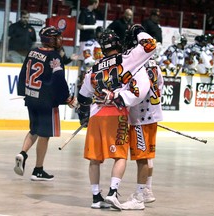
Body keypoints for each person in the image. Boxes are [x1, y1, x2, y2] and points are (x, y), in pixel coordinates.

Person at [77, 25, 157, 210]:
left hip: (96, 115)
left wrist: (83, 116)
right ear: (118, 44)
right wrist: (139, 31)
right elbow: (150, 44)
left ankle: (96, 197)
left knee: (94, 158)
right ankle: (113, 193)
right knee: (120, 156)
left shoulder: (93, 68)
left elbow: (83, 96)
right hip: (116, 113)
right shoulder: (127, 58)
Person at [14, 26, 77, 181]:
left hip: (31, 98)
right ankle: (38, 170)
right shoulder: (54, 56)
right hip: (45, 101)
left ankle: (22, 153)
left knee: (34, 129)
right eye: (56, 37)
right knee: (45, 135)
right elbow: (59, 80)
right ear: (50, 40)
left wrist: (24, 93)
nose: (59, 40)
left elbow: (22, 75)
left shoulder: (32, 52)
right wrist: (67, 98)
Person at [121, 55, 164, 210]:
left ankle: (139, 197)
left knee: (142, 157)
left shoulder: (137, 67)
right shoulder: (155, 66)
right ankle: (146, 190)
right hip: (151, 116)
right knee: (147, 156)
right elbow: (160, 87)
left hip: (141, 118)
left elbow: (137, 93)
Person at [77, 0, 99, 80]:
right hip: (84, 40)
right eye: (97, 4)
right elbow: (79, 26)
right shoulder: (84, 12)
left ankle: (88, 77)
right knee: (81, 58)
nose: (98, 5)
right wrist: (92, 27)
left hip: (92, 41)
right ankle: (78, 75)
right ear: (94, 3)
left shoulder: (93, 14)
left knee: (90, 59)